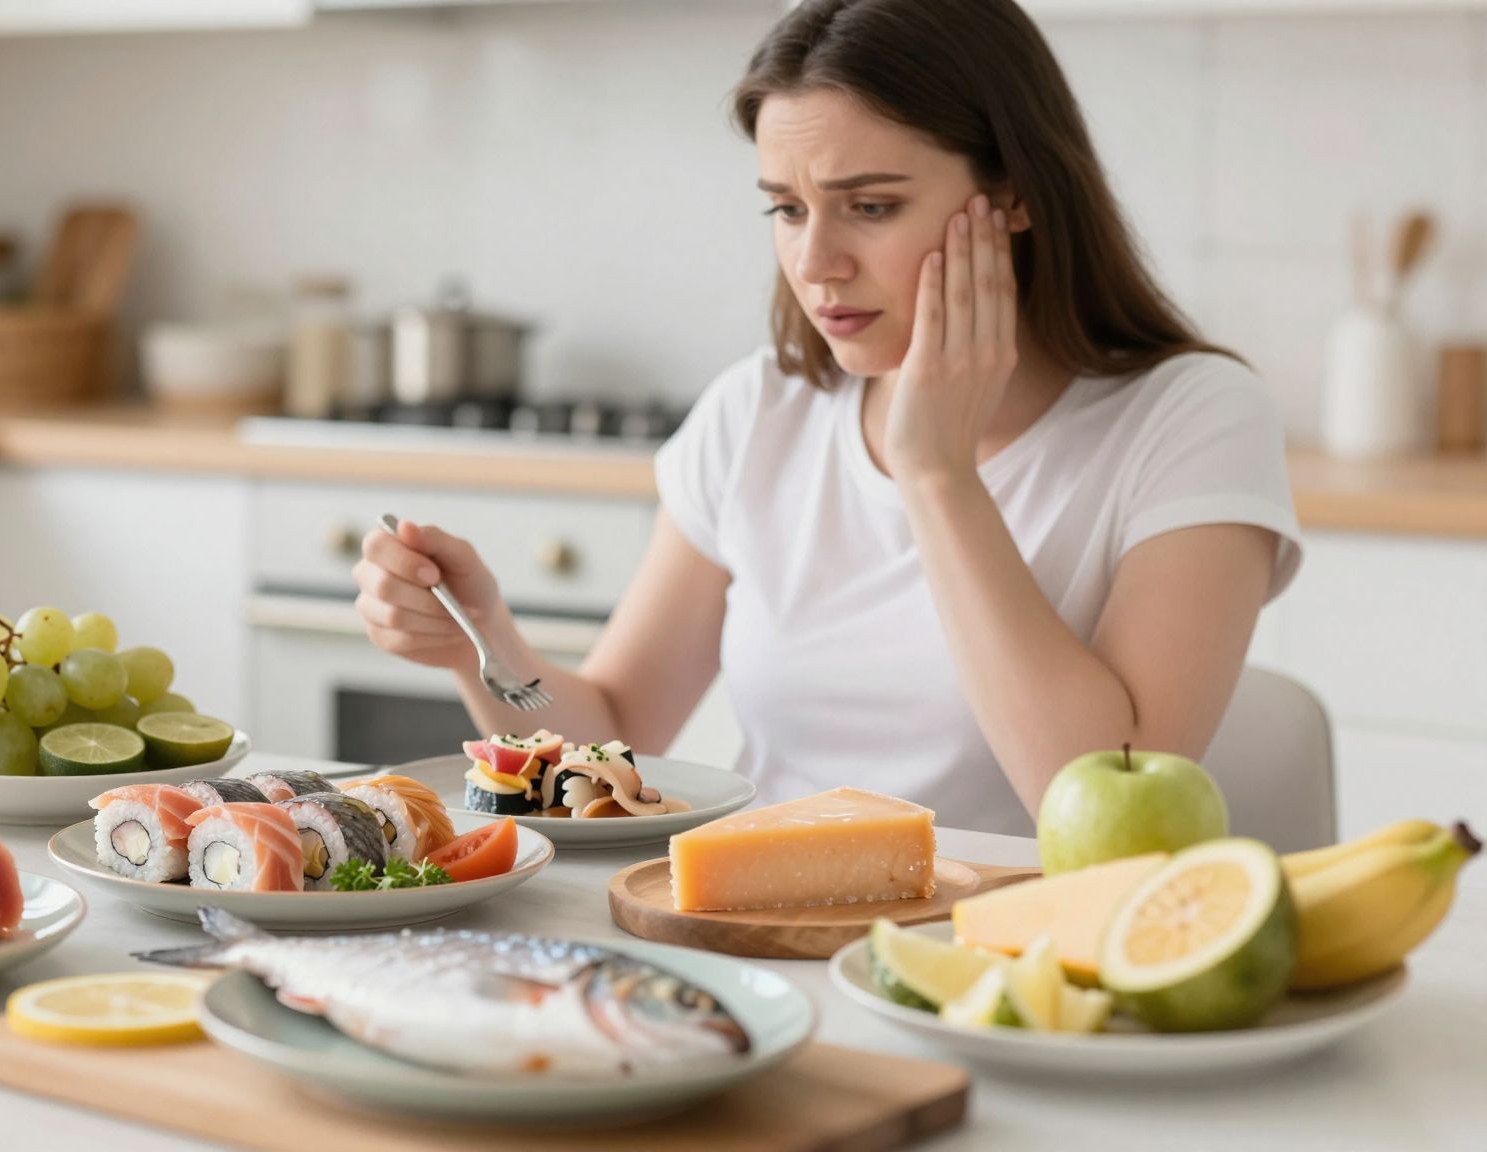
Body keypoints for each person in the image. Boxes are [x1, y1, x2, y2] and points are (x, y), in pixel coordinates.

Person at [352, 0, 1301, 836]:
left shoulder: (1191, 421)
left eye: (872, 206)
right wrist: (480, 645)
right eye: (787, 209)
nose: (815, 263)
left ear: (1011, 194)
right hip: (773, 947)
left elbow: (1105, 803)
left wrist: (937, 474)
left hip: (1025, 974)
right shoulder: (759, 412)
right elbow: (612, 748)